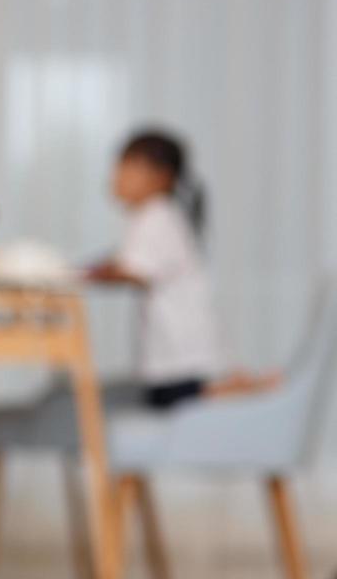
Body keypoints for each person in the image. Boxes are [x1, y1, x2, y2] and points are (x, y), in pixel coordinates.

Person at [85, 128, 277, 408]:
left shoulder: (157, 216)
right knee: (169, 398)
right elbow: (125, 262)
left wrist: (86, 275)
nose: (116, 179)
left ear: (162, 177)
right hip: (183, 350)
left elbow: (133, 272)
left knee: (175, 400)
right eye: (117, 170)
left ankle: (246, 388)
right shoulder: (153, 217)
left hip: (184, 352)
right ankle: (241, 384)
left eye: (127, 170)